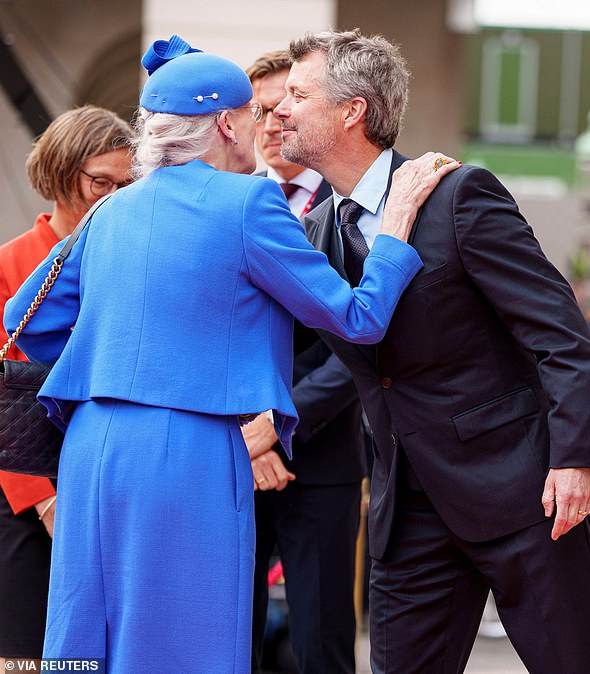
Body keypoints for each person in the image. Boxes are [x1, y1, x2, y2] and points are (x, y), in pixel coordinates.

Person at [4, 35, 456, 674]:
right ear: (225, 123)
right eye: (255, 114)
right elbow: (358, 317)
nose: (266, 125)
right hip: (187, 445)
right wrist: (397, 225)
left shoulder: (111, 211)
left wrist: (115, 357)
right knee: (184, 640)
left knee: (90, 635)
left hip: (91, 445)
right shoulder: (248, 202)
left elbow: (26, 317)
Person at [274, 29, 590, 673]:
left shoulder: (460, 195)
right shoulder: (311, 235)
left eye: (298, 94)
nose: (280, 108)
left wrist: (574, 457)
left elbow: (559, 332)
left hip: (524, 491)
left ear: (352, 109)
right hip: (404, 508)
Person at [0, 105, 133, 670]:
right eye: (99, 182)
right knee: (27, 656)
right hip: (26, 487)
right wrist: (42, 497)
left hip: (109, 470)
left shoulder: (131, 260)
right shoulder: (12, 263)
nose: (111, 197)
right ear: (59, 174)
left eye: (127, 185)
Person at [244, 50, 364, 674]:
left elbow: (362, 344)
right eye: (259, 110)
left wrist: (281, 420)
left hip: (322, 457)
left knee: (321, 642)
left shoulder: (355, 210)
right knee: (231, 634)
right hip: (236, 451)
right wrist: (253, 433)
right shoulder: (232, 205)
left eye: (283, 107)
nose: (271, 122)